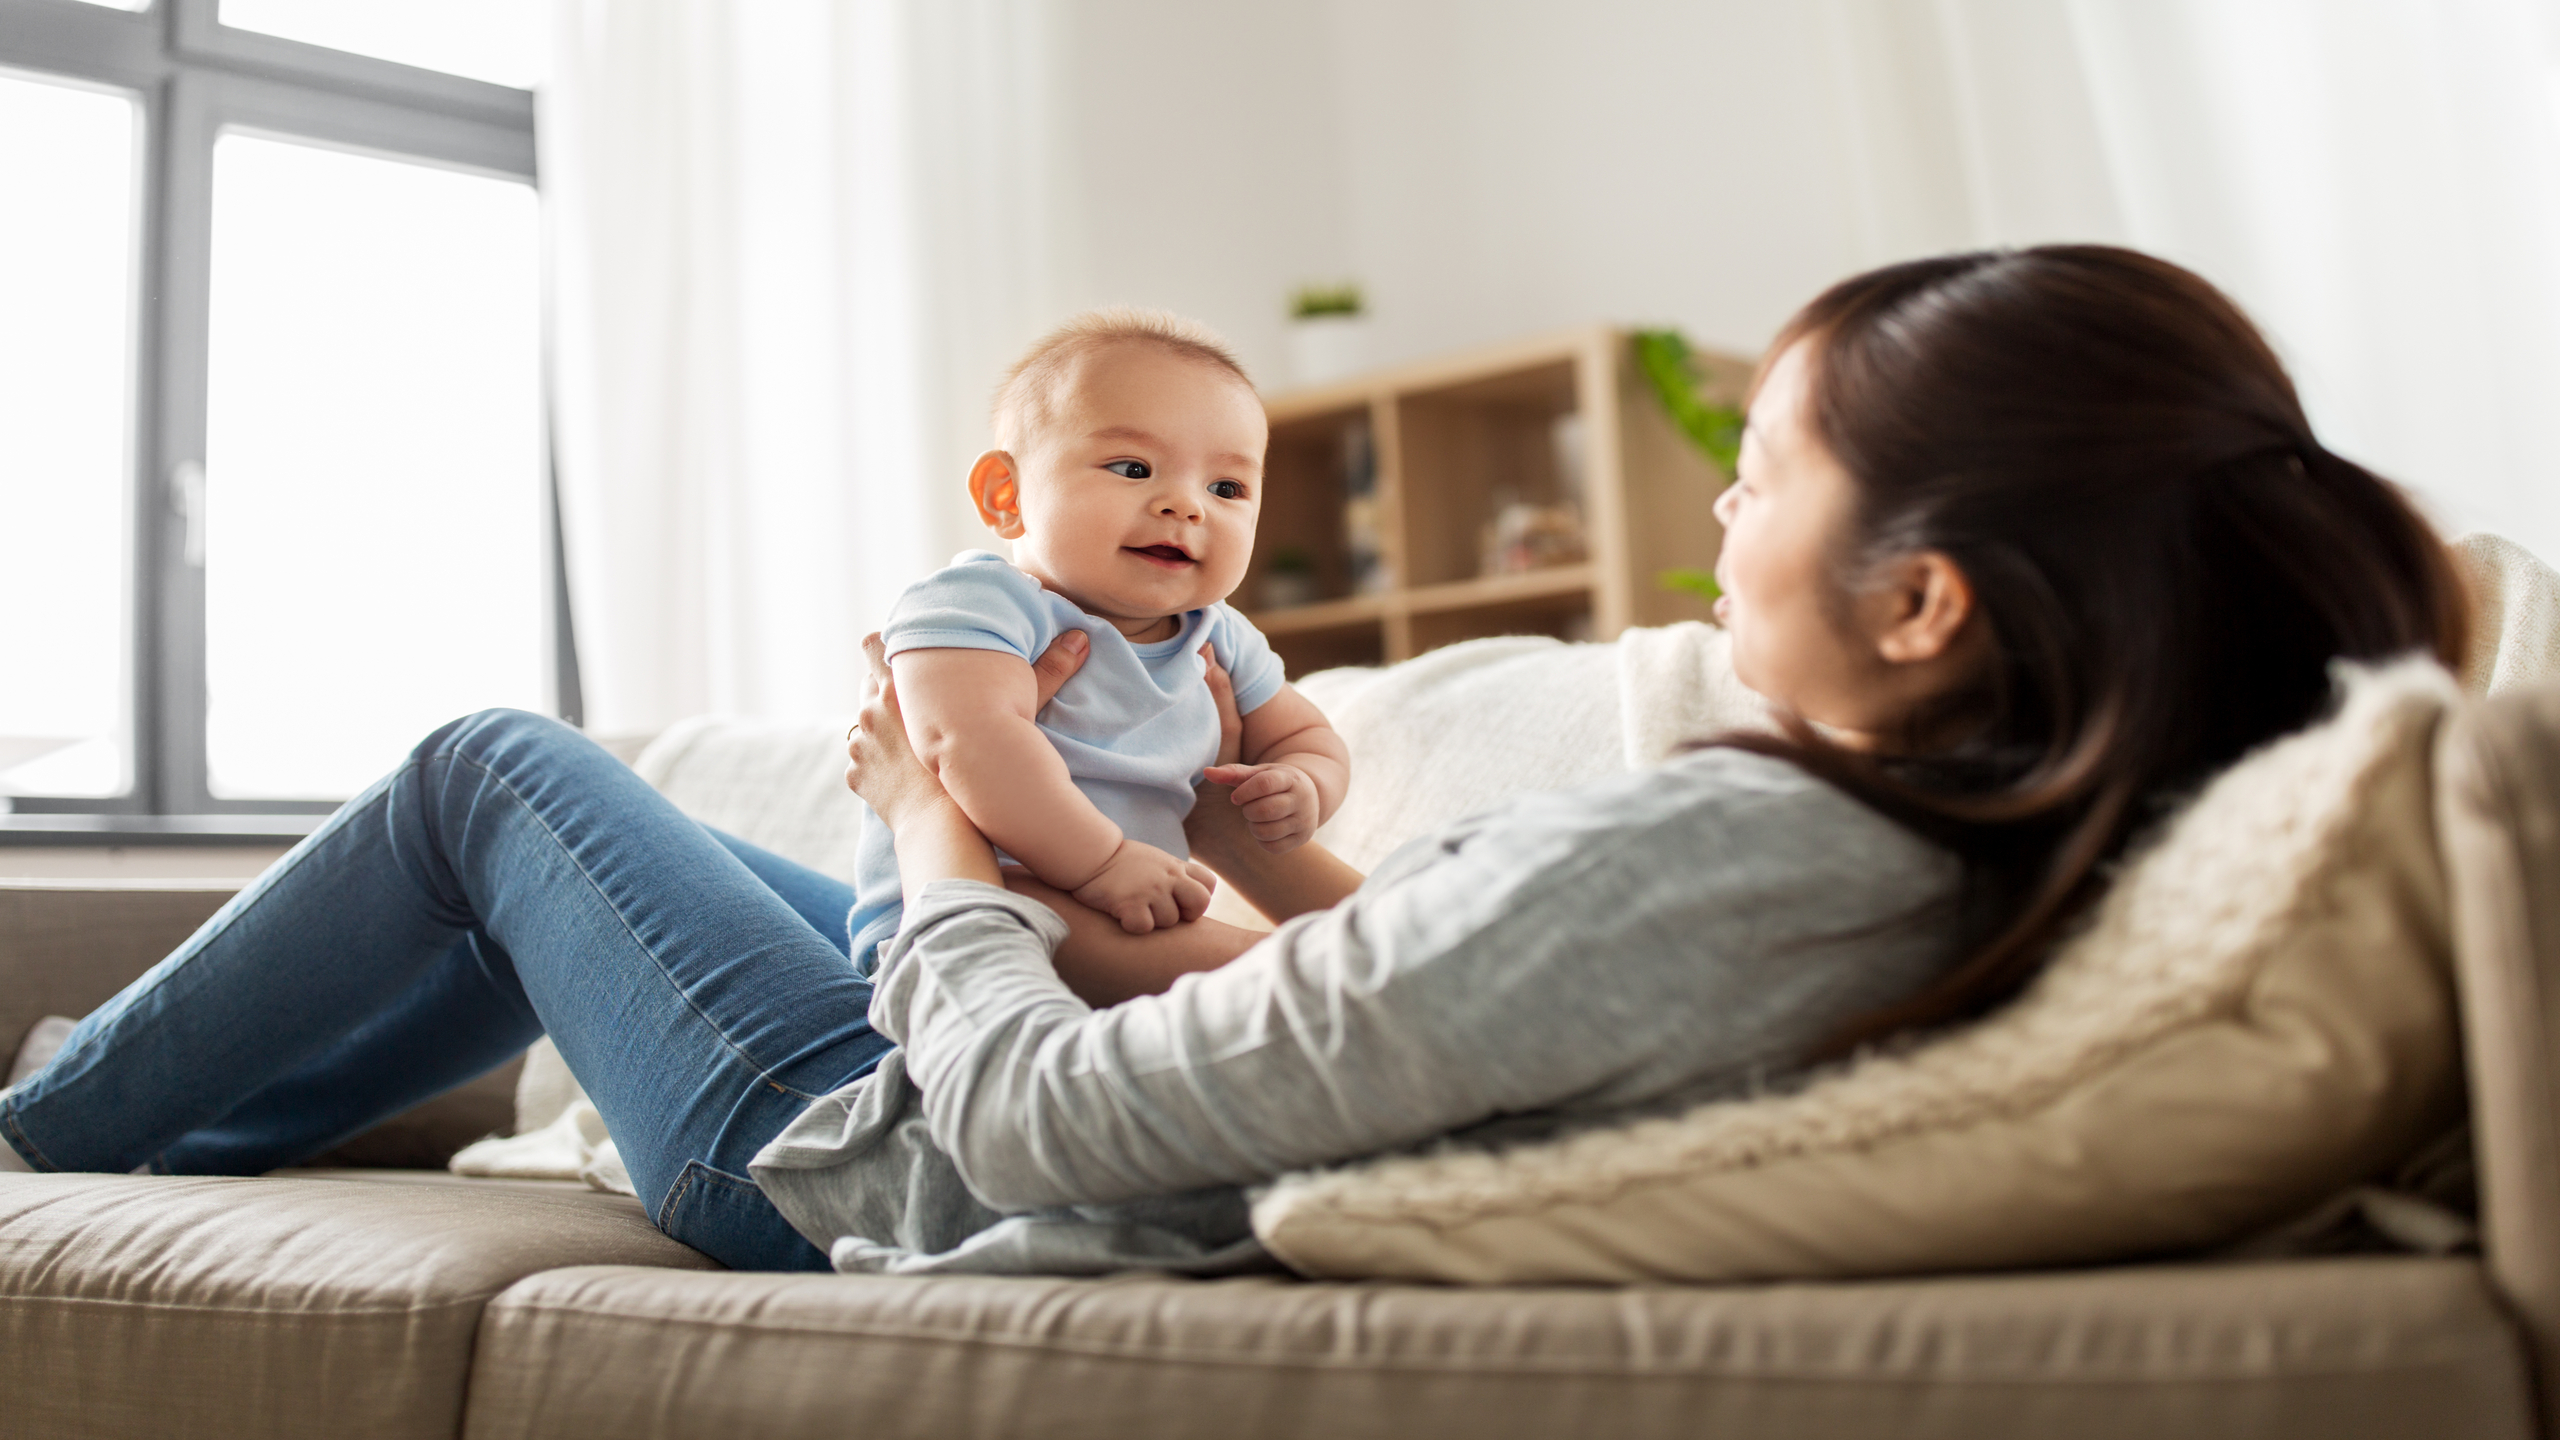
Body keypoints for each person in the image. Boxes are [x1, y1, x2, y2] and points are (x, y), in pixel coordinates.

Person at [0, 246, 2467, 1279]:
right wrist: (1280, 871)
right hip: (1005, 1026)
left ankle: (47, 1132)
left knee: (484, 773)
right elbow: (1418, 1013)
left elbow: (1035, 1131)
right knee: (537, 831)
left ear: (1920, 603)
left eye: (1776, 463)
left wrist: (929, 832)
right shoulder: (1915, 866)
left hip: (889, 1152)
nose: (1719, 503)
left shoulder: (1750, 853)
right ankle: (137, 1102)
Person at [844, 309, 1349, 978]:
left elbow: (1303, 733)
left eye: (1225, 487)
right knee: (1050, 915)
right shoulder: (981, 606)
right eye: (1133, 467)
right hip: (972, 898)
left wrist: (1305, 783)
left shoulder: (1219, 633)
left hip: (1130, 901)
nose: (1186, 504)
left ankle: (1324, 978)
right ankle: (1317, 978)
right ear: (1006, 495)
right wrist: (1102, 861)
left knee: (1162, 939)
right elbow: (968, 743)